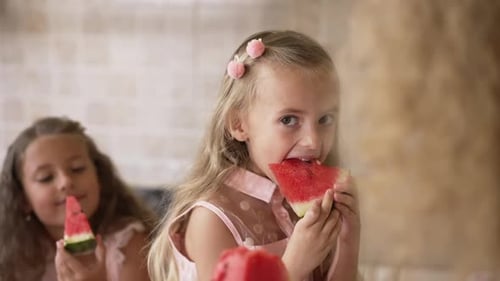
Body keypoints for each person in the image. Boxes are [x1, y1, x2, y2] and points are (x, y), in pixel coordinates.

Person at [148, 30, 360, 281]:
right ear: (239, 124)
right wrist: (293, 267)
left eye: (325, 119)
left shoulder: (309, 204)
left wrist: (348, 240)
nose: (313, 140)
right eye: (289, 119)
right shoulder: (213, 219)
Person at [0, 116, 157, 281]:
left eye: (77, 169)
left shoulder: (129, 244)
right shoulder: (12, 255)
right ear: (23, 199)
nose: (65, 182)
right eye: (46, 177)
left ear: (99, 177)